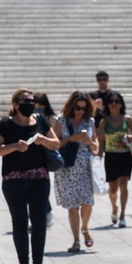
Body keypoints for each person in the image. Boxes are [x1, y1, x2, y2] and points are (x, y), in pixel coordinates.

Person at [0, 89, 60, 264]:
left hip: (39, 179)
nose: (30, 104)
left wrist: (44, 140)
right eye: (25, 101)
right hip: (13, 181)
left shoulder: (40, 120)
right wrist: (14, 146)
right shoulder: (5, 124)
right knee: (19, 222)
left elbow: (56, 144)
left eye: (32, 100)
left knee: (39, 222)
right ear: (15, 105)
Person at [53, 91, 98, 252]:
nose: (80, 111)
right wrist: (71, 138)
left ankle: (85, 228)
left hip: (85, 168)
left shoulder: (90, 121)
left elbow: (96, 147)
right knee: (73, 206)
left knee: (87, 203)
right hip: (67, 169)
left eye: (84, 109)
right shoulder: (61, 121)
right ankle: (76, 240)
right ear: (71, 106)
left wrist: (89, 142)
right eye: (77, 108)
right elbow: (55, 144)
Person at [98, 91, 132, 228]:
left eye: (117, 101)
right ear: (107, 105)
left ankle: (122, 215)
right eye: (111, 102)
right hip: (111, 156)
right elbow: (100, 139)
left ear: (121, 104)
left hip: (125, 155)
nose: (114, 104)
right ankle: (114, 207)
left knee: (124, 184)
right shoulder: (104, 121)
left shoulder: (127, 119)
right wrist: (99, 153)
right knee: (113, 188)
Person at [34, 92, 58, 228]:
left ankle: (47, 213)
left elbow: (54, 137)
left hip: (46, 153)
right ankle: (44, 213)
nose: (37, 107)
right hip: (35, 152)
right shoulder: (31, 116)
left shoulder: (51, 118)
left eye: (40, 104)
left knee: (42, 184)